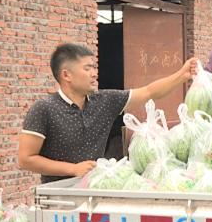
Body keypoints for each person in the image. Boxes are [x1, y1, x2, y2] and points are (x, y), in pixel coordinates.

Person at [18, 43, 197, 183]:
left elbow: (149, 91)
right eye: (87, 68)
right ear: (67, 75)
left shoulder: (104, 101)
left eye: (94, 67)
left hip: (95, 190)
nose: (94, 73)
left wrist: (181, 75)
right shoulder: (44, 109)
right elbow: (25, 159)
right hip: (57, 198)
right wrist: (72, 169)